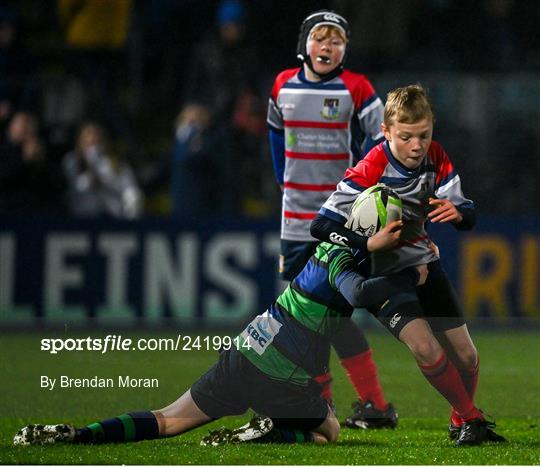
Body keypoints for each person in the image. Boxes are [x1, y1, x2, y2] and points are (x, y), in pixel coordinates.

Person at [13, 197, 422, 447]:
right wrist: (406, 277)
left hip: (245, 351)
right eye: (393, 229)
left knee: (168, 419)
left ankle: (79, 435)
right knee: (329, 429)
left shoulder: (331, 247)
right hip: (281, 376)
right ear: (375, 230)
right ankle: (272, 431)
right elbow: (358, 293)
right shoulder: (347, 262)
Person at [310, 84, 506, 446]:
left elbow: (468, 212)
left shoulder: (437, 156)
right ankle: (471, 418)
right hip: (382, 275)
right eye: (406, 137)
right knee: (426, 348)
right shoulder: (373, 165)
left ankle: (459, 420)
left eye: (424, 135)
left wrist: (460, 213)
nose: (417, 146)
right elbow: (321, 225)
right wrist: (367, 243)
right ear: (385, 132)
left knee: (467, 355)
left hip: (425, 265)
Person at [267, 9, 394, 428]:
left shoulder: (357, 88)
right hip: (294, 220)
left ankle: (365, 406)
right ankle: (340, 406)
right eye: (320, 38)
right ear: (304, 44)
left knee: (332, 315)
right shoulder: (282, 85)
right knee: (305, 315)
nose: (328, 46)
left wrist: (366, 200)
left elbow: (382, 146)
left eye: (336, 40)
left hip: (340, 220)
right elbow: (274, 141)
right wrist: (285, 187)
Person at [62, 122, 143, 219]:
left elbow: (129, 188)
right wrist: (90, 176)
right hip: (81, 216)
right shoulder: (72, 161)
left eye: (95, 139)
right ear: (80, 141)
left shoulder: (115, 163)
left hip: (112, 216)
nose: (92, 142)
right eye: (87, 139)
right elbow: (73, 188)